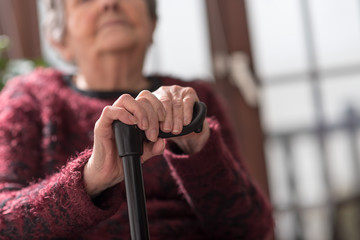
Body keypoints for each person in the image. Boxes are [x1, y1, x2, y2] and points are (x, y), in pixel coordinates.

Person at [0, 0, 273, 239]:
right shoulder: (31, 99)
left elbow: (252, 229)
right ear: (59, 40)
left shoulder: (195, 100)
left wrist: (197, 147)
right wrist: (90, 178)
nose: (109, 2)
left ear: (152, 23)